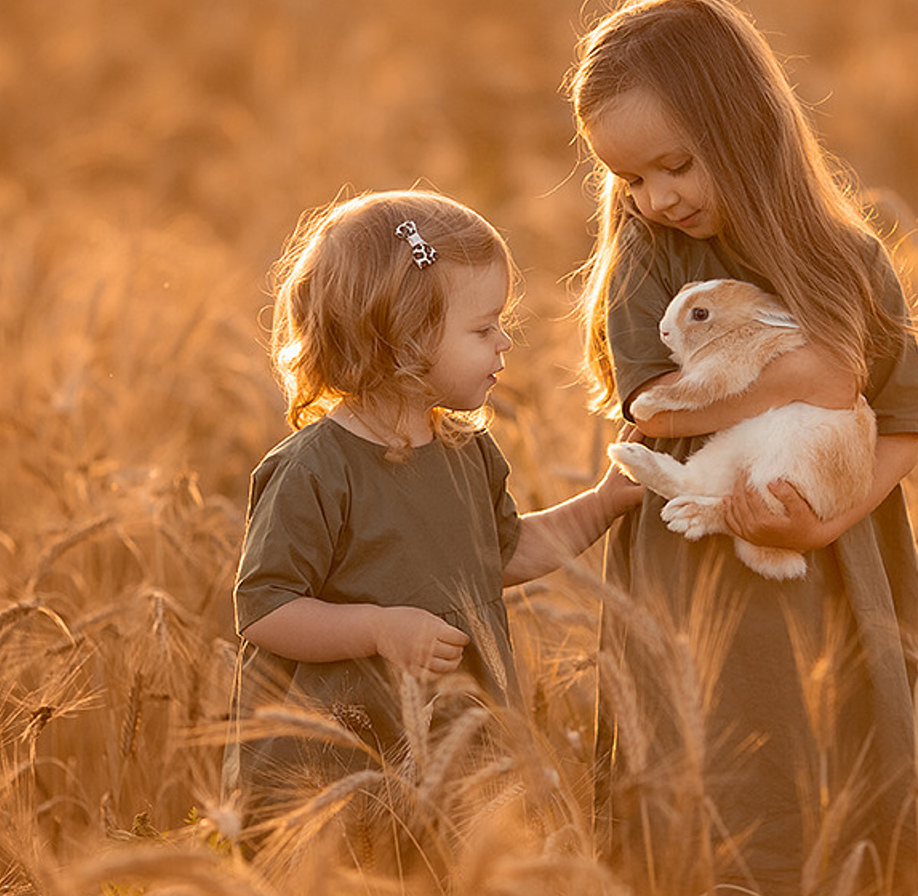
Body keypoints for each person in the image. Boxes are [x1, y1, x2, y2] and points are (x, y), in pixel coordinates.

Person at [567, 0, 918, 896]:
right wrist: (800, 379)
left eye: (674, 165)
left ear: (744, 123)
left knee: (838, 780)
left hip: (833, 567)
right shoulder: (651, 263)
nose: (655, 197)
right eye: (630, 180)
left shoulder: (849, 261)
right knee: (715, 788)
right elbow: (652, 408)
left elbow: (899, 421)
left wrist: (820, 520)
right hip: (701, 582)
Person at [232, 189, 641, 860]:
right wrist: (379, 628)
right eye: (483, 330)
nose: (504, 342)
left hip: (458, 756)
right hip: (341, 769)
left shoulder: (467, 452)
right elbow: (265, 610)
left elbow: (499, 555)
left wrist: (603, 502)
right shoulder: (317, 467)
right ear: (402, 338)